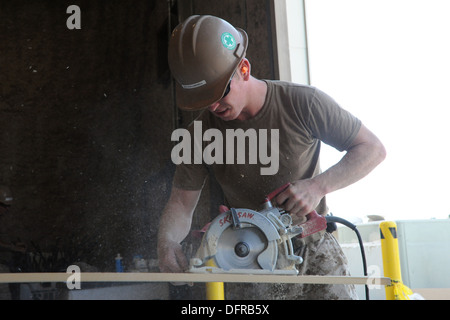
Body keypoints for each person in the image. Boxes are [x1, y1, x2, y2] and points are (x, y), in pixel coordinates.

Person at [157, 15, 386, 300]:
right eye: (205, 98)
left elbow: (372, 149)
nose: (214, 105)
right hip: (244, 254)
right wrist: (167, 243)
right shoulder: (199, 135)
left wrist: (317, 187)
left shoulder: (303, 103)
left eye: (220, 92)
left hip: (311, 247)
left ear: (243, 68)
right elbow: (181, 203)